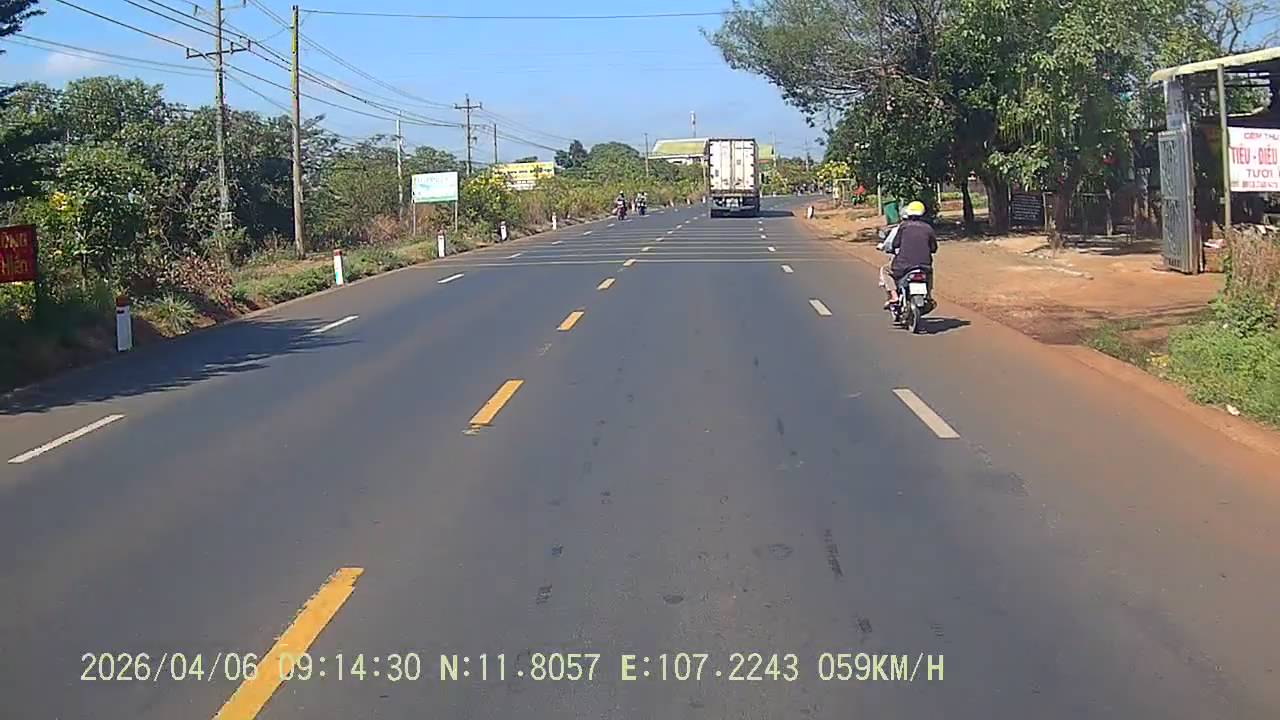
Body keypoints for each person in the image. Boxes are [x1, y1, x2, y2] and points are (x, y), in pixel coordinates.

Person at [879, 200, 937, 307]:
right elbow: (934, 248)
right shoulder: (928, 228)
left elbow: (895, 243)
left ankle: (894, 296)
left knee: (885, 270)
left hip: (903, 265)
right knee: (929, 273)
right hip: (924, 265)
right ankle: (928, 295)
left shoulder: (903, 227)